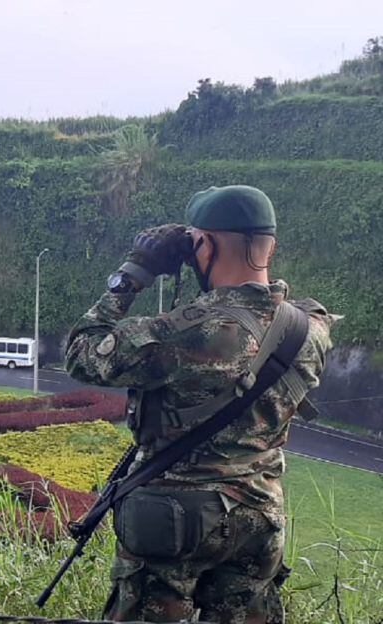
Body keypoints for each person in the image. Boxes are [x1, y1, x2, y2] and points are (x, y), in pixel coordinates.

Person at [64, 185, 335, 623]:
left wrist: (132, 274)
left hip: (172, 522)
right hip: (260, 518)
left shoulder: (182, 333)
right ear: (271, 246)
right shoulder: (311, 328)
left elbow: (82, 351)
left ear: (203, 245)